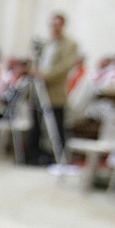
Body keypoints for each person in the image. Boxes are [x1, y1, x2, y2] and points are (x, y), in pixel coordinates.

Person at [27, 12, 80, 165]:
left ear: (63, 25)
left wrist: (46, 76)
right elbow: (36, 61)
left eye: (57, 25)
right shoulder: (46, 43)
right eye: (52, 25)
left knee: (56, 125)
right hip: (38, 89)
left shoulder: (70, 45)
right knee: (36, 123)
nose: (54, 28)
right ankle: (33, 155)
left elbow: (65, 66)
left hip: (55, 91)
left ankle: (58, 157)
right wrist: (34, 71)